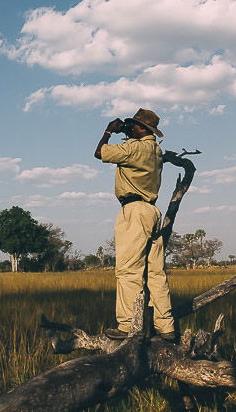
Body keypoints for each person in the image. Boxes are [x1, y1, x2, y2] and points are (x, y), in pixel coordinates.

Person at [94, 108, 176, 342]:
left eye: (133, 125)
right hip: (152, 211)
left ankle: (128, 325)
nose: (129, 129)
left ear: (143, 129)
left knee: (128, 270)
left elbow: (99, 153)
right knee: (156, 273)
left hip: (134, 210)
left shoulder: (134, 148)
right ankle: (166, 326)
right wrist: (128, 131)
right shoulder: (156, 150)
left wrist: (109, 130)